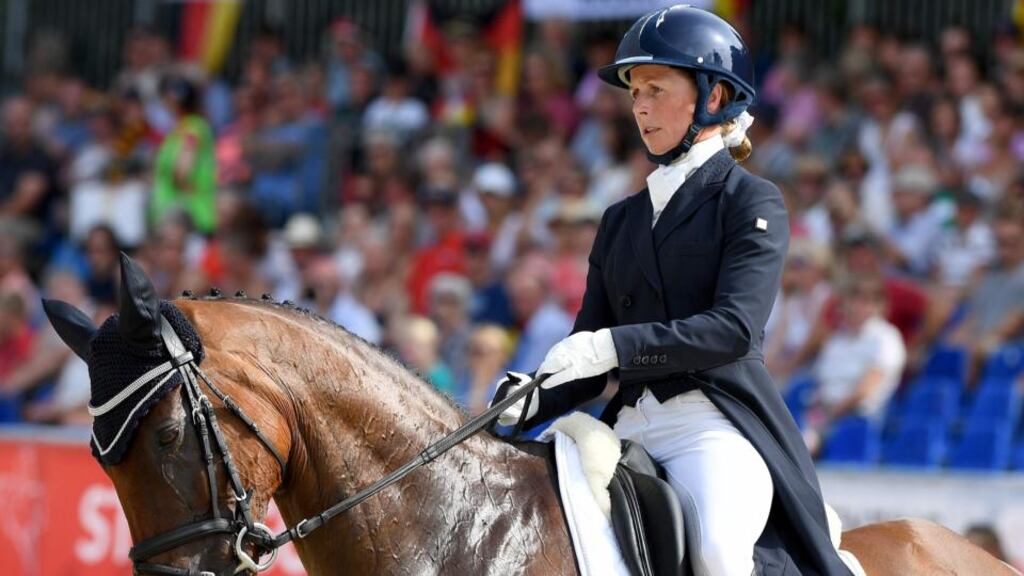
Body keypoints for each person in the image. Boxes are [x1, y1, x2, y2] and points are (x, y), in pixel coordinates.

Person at [493, 6, 852, 575]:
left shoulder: (750, 201)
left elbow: (733, 330)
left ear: (712, 99)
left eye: (656, 89)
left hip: (711, 425)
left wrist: (616, 348)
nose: (639, 106)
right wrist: (534, 395)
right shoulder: (620, 219)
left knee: (716, 555)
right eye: (635, 92)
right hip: (625, 427)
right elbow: (587, 344)